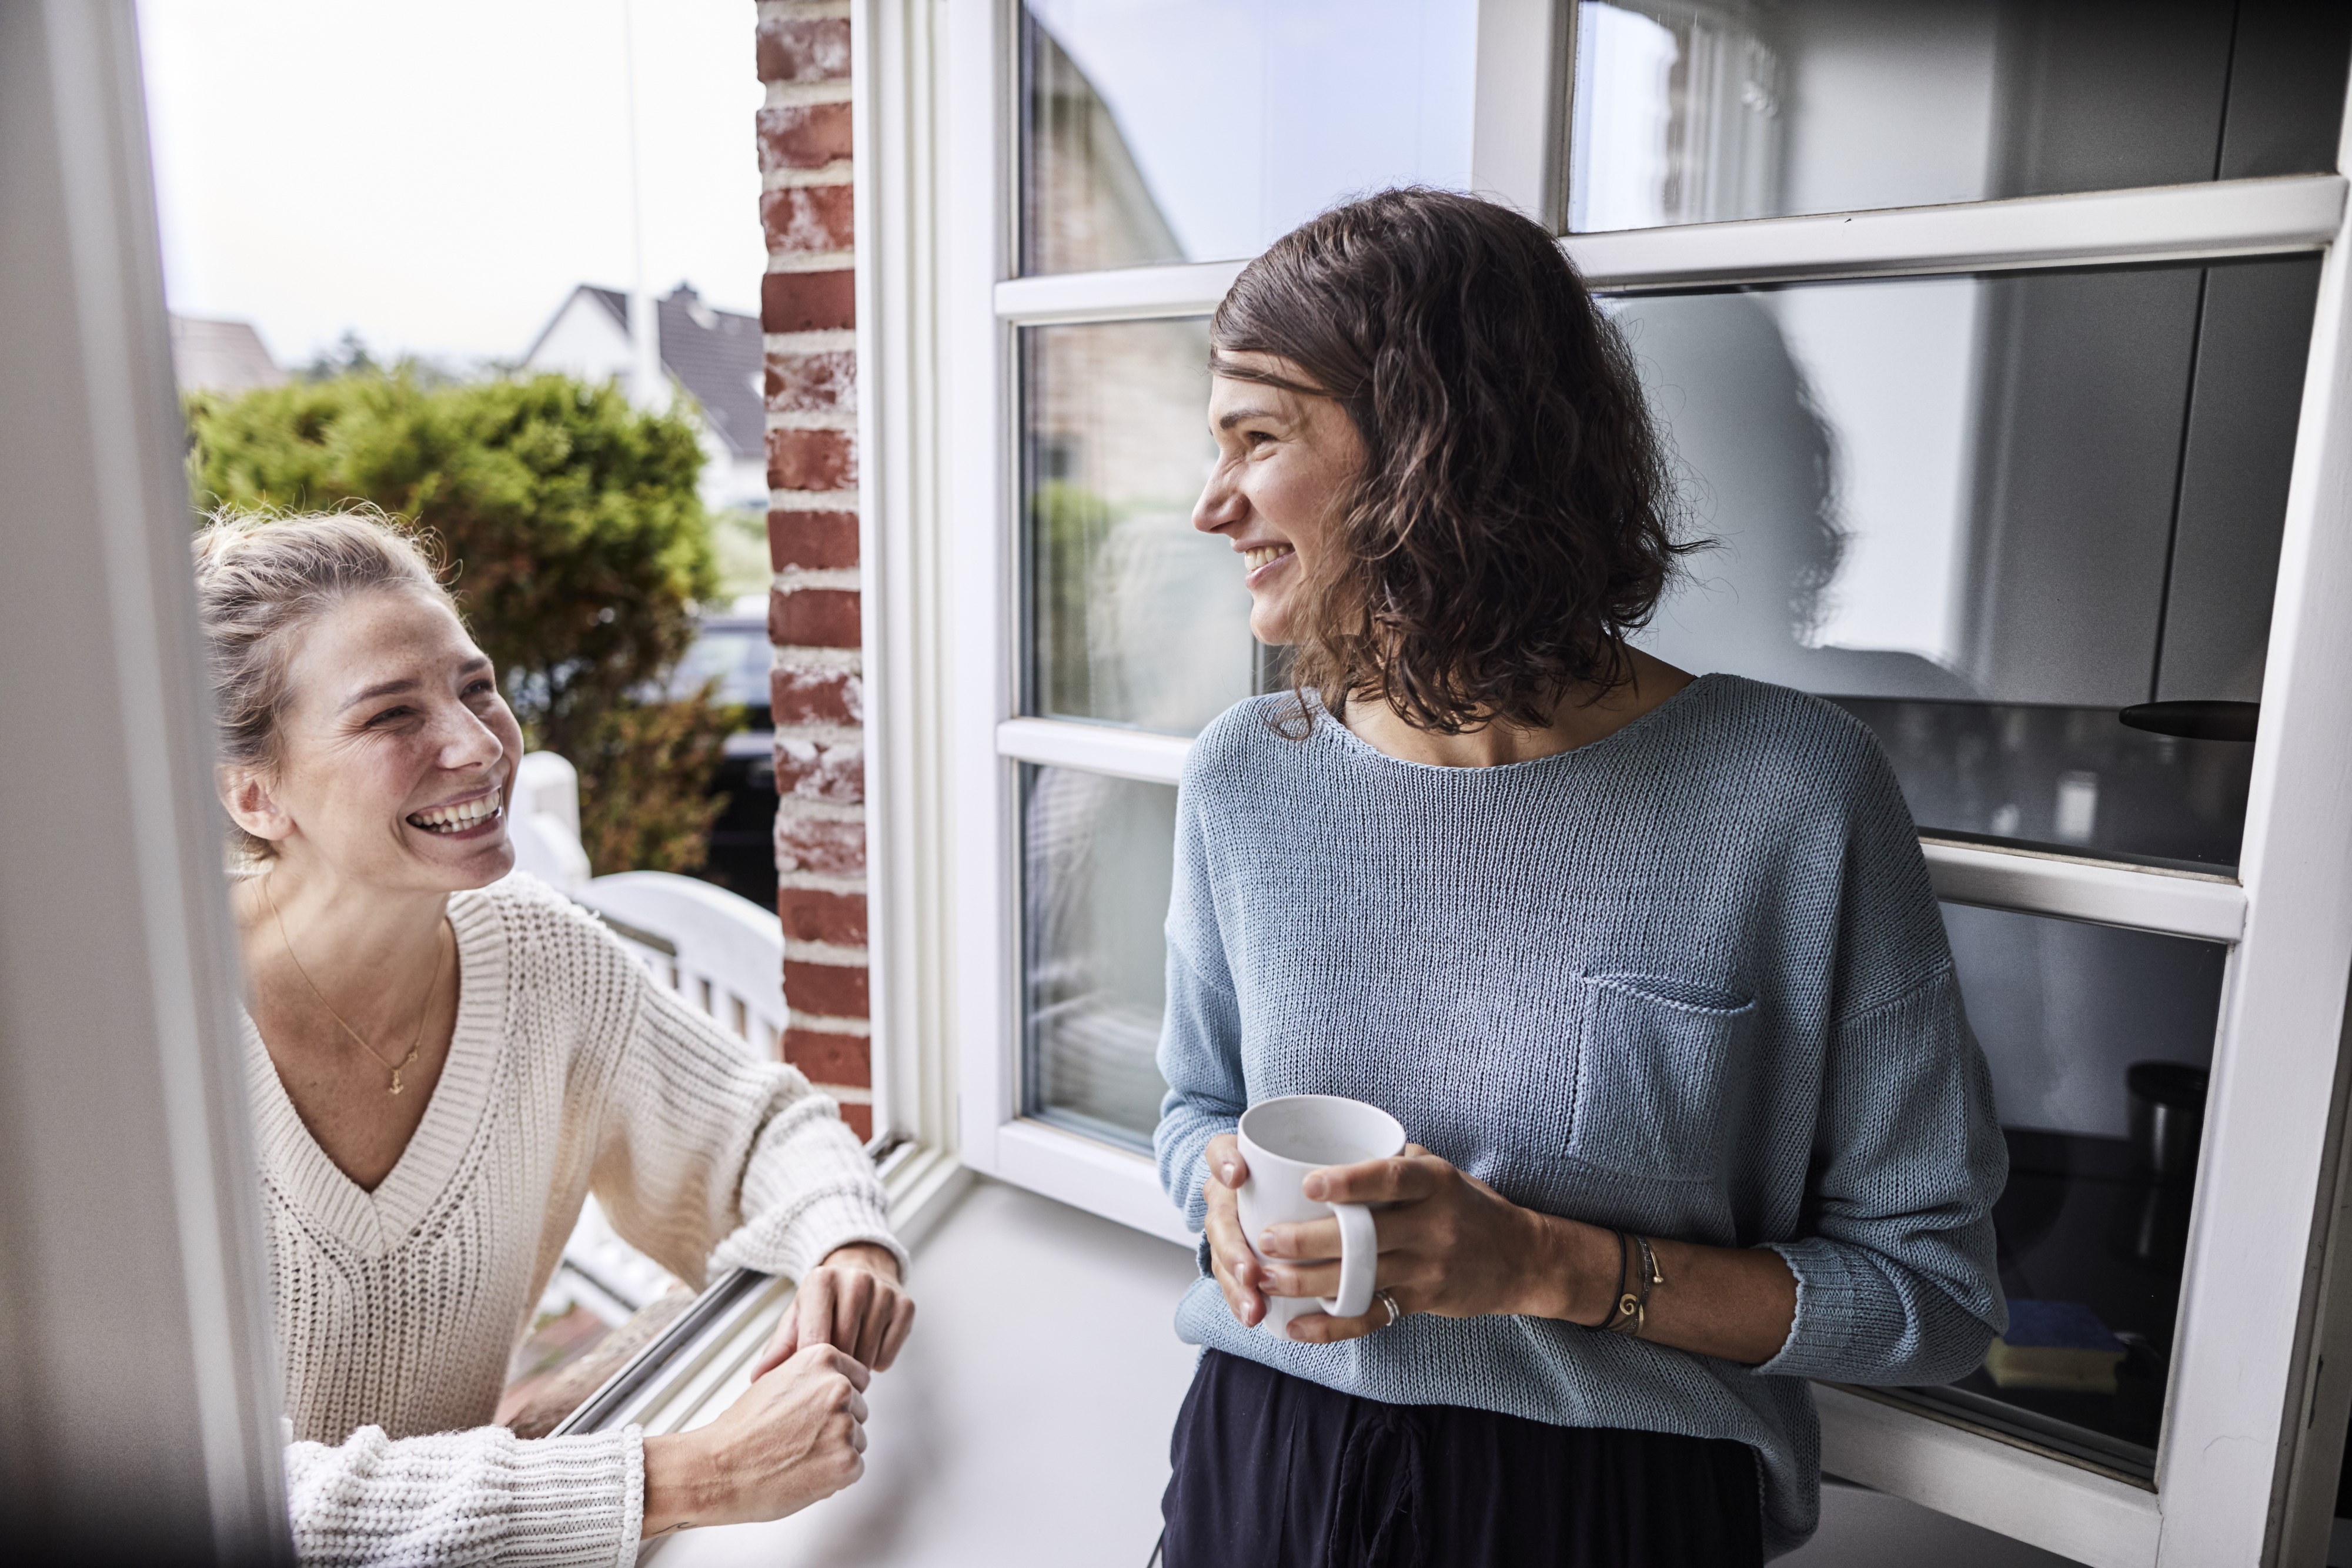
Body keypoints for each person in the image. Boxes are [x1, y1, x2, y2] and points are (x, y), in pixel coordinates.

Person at [1152, 189, 2007, 1565]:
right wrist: (1213, 1184)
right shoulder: (1243, 779)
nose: (1210, 503)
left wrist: (1547, 1267)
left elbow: (1926, 1295)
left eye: (1257, 437)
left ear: (1431, 450)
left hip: (1608, 1506)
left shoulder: (1790, 795)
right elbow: (1194, 1101)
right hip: (1265, 1457)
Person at [195, 509, 916, 1564]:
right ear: (253, 794)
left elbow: (761, 1129)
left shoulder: (539, 956)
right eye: (393, 716)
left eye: (475, 685)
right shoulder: (140, 1046)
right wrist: (693, 1474)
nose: (479, 744)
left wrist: (846, 1241)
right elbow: (209, 1492)